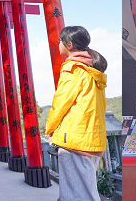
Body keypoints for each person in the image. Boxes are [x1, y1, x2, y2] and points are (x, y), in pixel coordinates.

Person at [45, 26, 109, 201]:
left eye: (60, 40)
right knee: (86, 189)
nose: (58, 43)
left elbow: (60, 104)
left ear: (69, 45)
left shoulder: (73, 69)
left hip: (74, 138)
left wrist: (49, 129)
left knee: (74, 193)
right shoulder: (92, 69)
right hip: (91, 137)